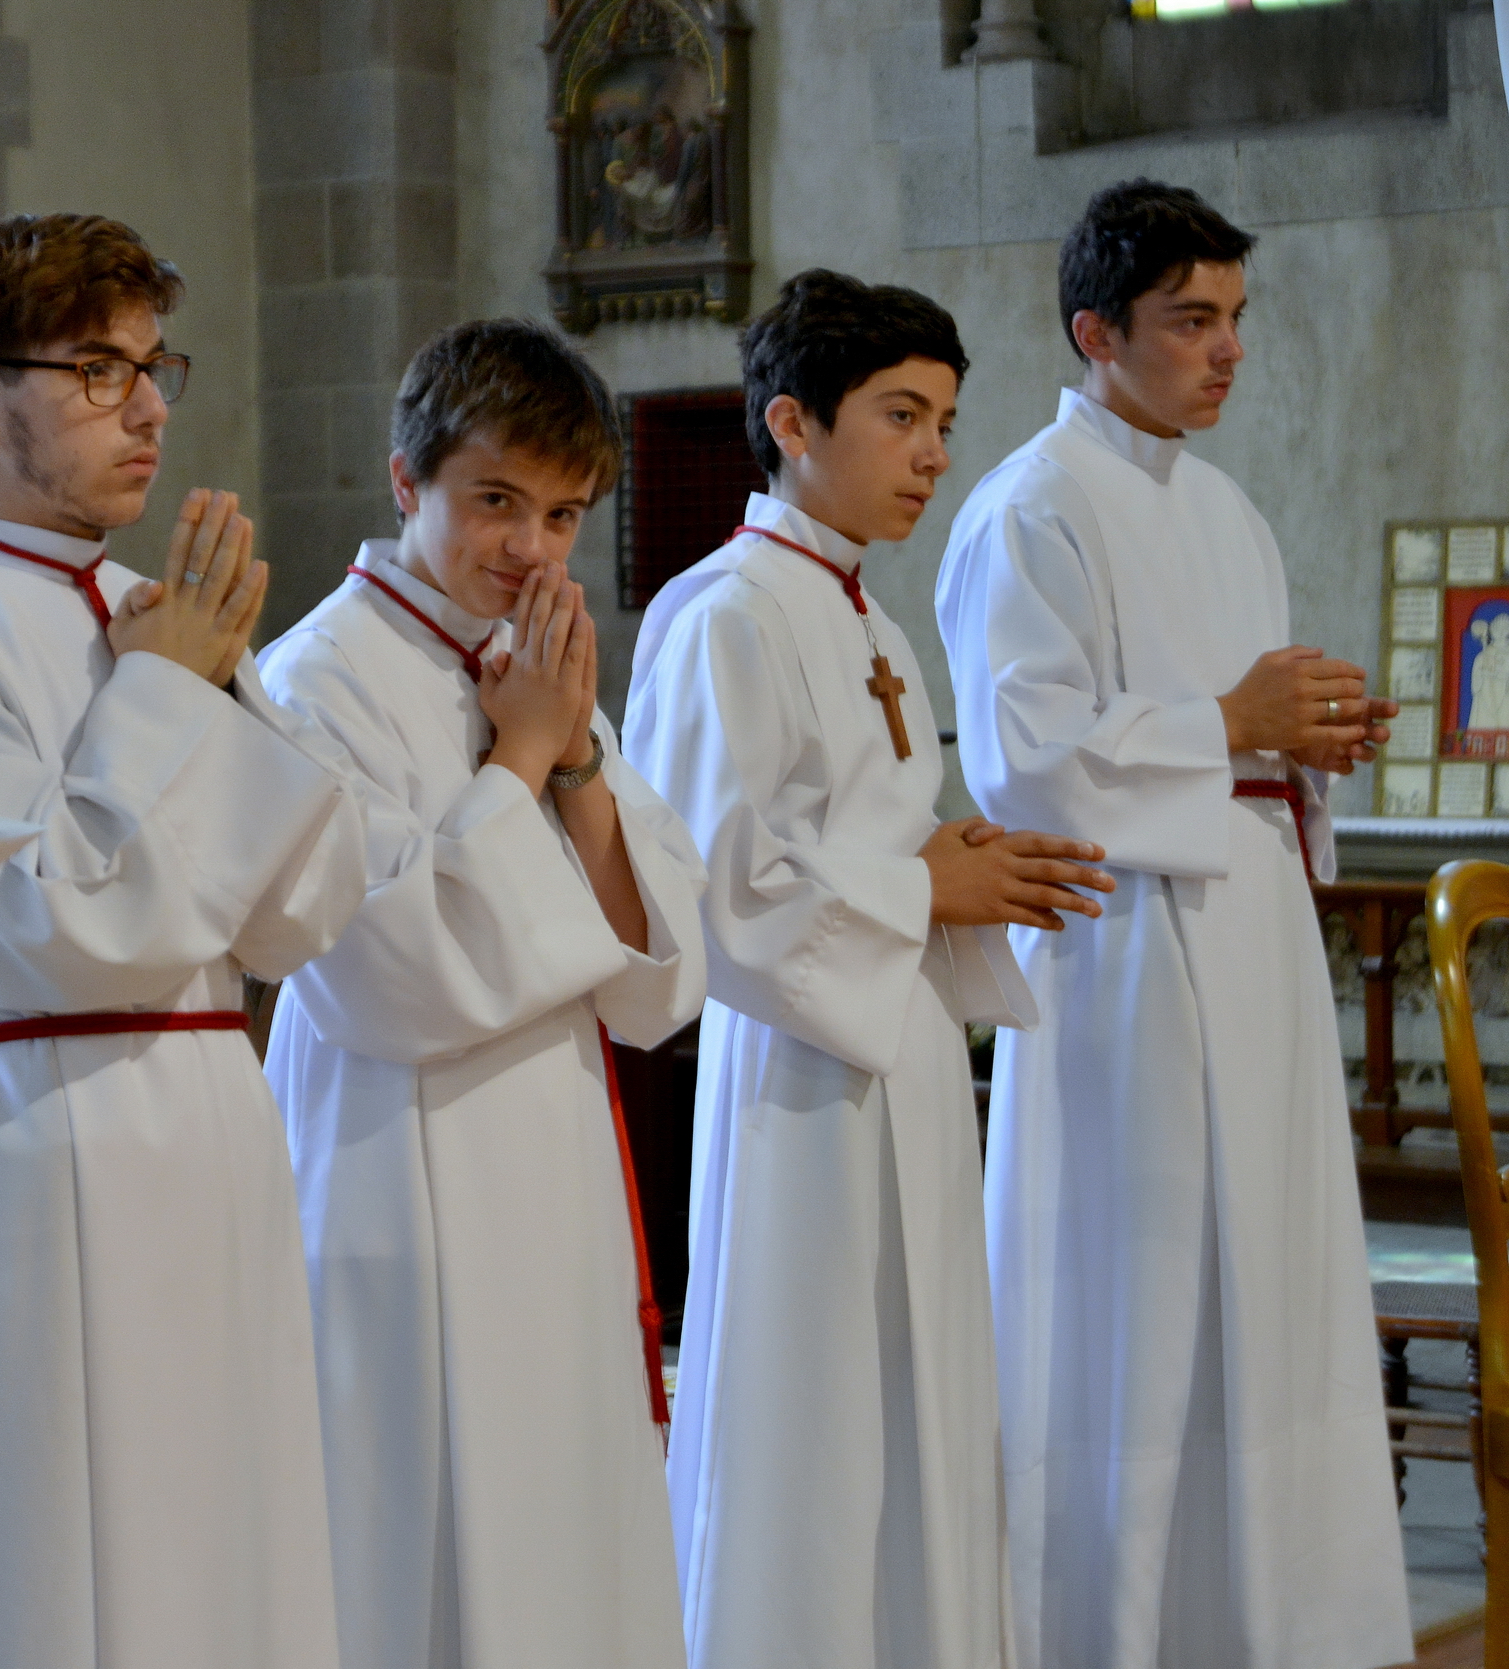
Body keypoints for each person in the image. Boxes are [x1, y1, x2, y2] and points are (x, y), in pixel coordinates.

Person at [936, 180, 1409, 1669]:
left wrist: (1302, 743)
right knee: (1138, 1308)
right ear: (1096, 332)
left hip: (1253, 940)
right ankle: (1122, 1631)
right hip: (1124, 955)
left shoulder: (1227, 510)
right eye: (1190, 320)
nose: (1226, 351)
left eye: (1234, 319)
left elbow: (1238, 731)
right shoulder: (1027, 507)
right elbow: (1024, 758)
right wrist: (1231, 722)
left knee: (1272, 1297)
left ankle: (1277, 1625)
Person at [0, 212, 367, 1669]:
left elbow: (304, 908)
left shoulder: (161, 615)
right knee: (62, 1565)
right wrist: (162, 694)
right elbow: (48, 931)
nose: (149, 408)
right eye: (100, 370)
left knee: (229, 1547)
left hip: (214, 1109)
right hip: (53, 1129)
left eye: (155, 368)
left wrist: (202, 687)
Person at [626, 270, 1114, 1669]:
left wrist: (957, 865)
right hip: (797, 1084)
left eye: (945, 422)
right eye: (901, 416)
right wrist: (921, 884)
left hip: (902, 1062)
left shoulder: (869, 622)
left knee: (919, 1411)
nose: (933, 455)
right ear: (791, 422)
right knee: (810, 1421)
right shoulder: (722, 614)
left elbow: (849, 844)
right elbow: (710, 885)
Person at [257, 318, 708, 1669]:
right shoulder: (316, 677)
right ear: (407, 481)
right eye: (495, 501)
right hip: (400, 1162)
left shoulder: (536, 661)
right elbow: (388, 968)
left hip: (547, 1149)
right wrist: (517, 760)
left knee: (557, 1519)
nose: (528, 548)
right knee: (419, 1537)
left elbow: (649, 964)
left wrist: (571, 762)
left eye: (561, 515)